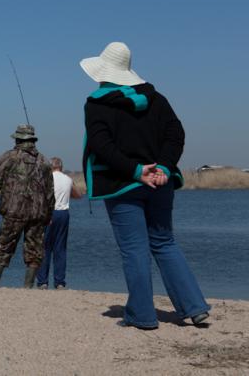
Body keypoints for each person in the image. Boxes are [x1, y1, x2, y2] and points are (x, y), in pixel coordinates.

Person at [81, 41, 210, 328]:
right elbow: (176, 135)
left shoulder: (97, 104)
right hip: (160, 182)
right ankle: (194, 307)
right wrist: (163, 166)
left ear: (103, 73)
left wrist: (136, 170)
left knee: (134, 249)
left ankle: (142, 315)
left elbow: (101, 146)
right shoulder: (157, 99)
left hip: (122, 184)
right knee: (165, 243)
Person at [0, 124, 54, 289]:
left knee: (4, 244)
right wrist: (49, 214)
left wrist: (9, 187)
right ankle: (28, 285)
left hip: (14, 210)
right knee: (34, 248)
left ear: (17, 139)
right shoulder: (44, 160)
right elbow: (50, 191)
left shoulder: (10, 157)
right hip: (39, 212)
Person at [36, 157, 82, 290]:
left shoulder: (46, 179)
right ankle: (60, 282)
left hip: (49, 213)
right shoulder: (68, 179)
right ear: (61, 167)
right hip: (63, 214)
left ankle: (43, 282)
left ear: (50, 167)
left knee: (44, 247)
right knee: (60, 248)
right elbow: (78, 195)